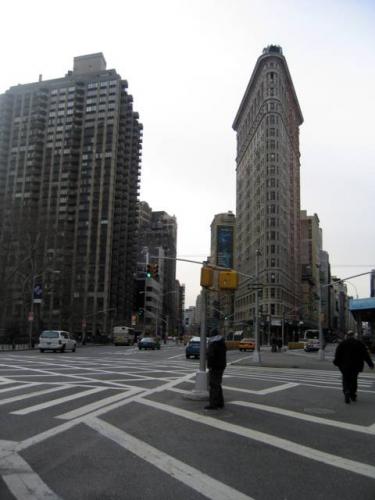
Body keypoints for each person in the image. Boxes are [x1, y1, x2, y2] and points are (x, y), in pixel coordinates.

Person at [333, 330, 374, 404]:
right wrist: (370, 364)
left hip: (344, 366)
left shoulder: (342, 343)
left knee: (345, 379)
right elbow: (365, 354)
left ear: (347, 336)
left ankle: (346, 391)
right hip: (356, 366)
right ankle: (352, 395)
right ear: (354, 336)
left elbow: (337, 354)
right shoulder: (359, 343)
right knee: (354, 380)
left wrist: (336, 363)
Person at [205, 329, 227, 410]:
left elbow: (211, 355)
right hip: (221, 365)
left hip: (214, 366)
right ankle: (220, 402)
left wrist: (209, 365)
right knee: (217, 384)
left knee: (213, 385)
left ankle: (213, 404)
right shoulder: (221, 342)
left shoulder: (213, 343)